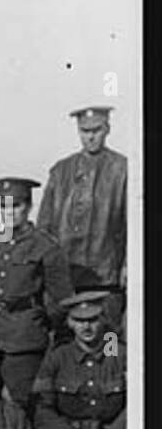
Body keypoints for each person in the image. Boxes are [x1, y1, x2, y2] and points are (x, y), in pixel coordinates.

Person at [0, 177, 72, 407]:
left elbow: (61, 298)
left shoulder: (46, 246)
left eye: (16, 206)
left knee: (21, 403)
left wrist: (51, 329)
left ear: (28, 207)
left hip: (24, 335)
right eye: (4, 207)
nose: (10, 213)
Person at [31, 290, 125, 429]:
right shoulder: (58, 358)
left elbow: (139, 402)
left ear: (103, 320)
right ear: (69, 323)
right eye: (79, 320)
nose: (87, 327)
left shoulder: (117, 353)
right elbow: (40, 408)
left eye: (92, 319)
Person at [37, 106, 128, 325]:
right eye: (85, 131)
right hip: (65, 278)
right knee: (66, 339)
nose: (90, 136)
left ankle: (110, 358)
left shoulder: (122, 168)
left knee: (109, 337)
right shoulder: (60, 171)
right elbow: (44, 225)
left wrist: (127, 264)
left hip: (106, 276)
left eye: (96, 130)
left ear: (107, 129)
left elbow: (132, 224)